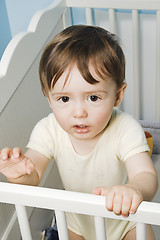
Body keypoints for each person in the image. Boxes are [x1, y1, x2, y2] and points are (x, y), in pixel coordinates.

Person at [0, 25, 158, 240]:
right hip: (78, 223)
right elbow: (33, 173)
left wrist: (134, 190)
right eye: (64, 99)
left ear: (118, 96)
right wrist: (21, 174)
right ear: (49, 98)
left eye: (93, 98)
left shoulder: (125, 128)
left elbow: (145, 175)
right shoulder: (48, 129)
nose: (79, 113)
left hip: (124, 220)